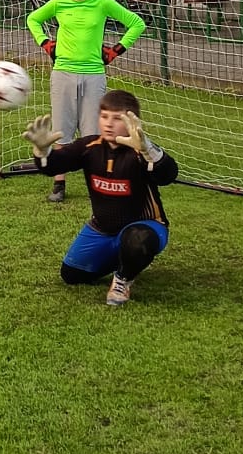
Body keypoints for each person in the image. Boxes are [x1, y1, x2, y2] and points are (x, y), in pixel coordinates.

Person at [22, 87, 178, 307]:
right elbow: (54, 166)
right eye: (104, 116)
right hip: (102, 229)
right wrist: (42, 151)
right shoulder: (89, 146)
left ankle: (123, 278)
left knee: (137, 240)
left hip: (147, 226)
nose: (108, 123)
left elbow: (168, 175)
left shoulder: (141, 150)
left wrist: (148, 151)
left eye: (117, 118)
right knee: (72, 275)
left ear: (133, 121)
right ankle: (127, 259)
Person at [25, 0, 147, 206]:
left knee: (94, 133)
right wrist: (46, 43)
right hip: (63, 72)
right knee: (62, 130)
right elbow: (33, 19)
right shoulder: (59, 3)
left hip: (93, 74)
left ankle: (98, 182)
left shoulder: (103, 4)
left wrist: (115, 50)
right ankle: (59, 182)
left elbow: (137, 23)